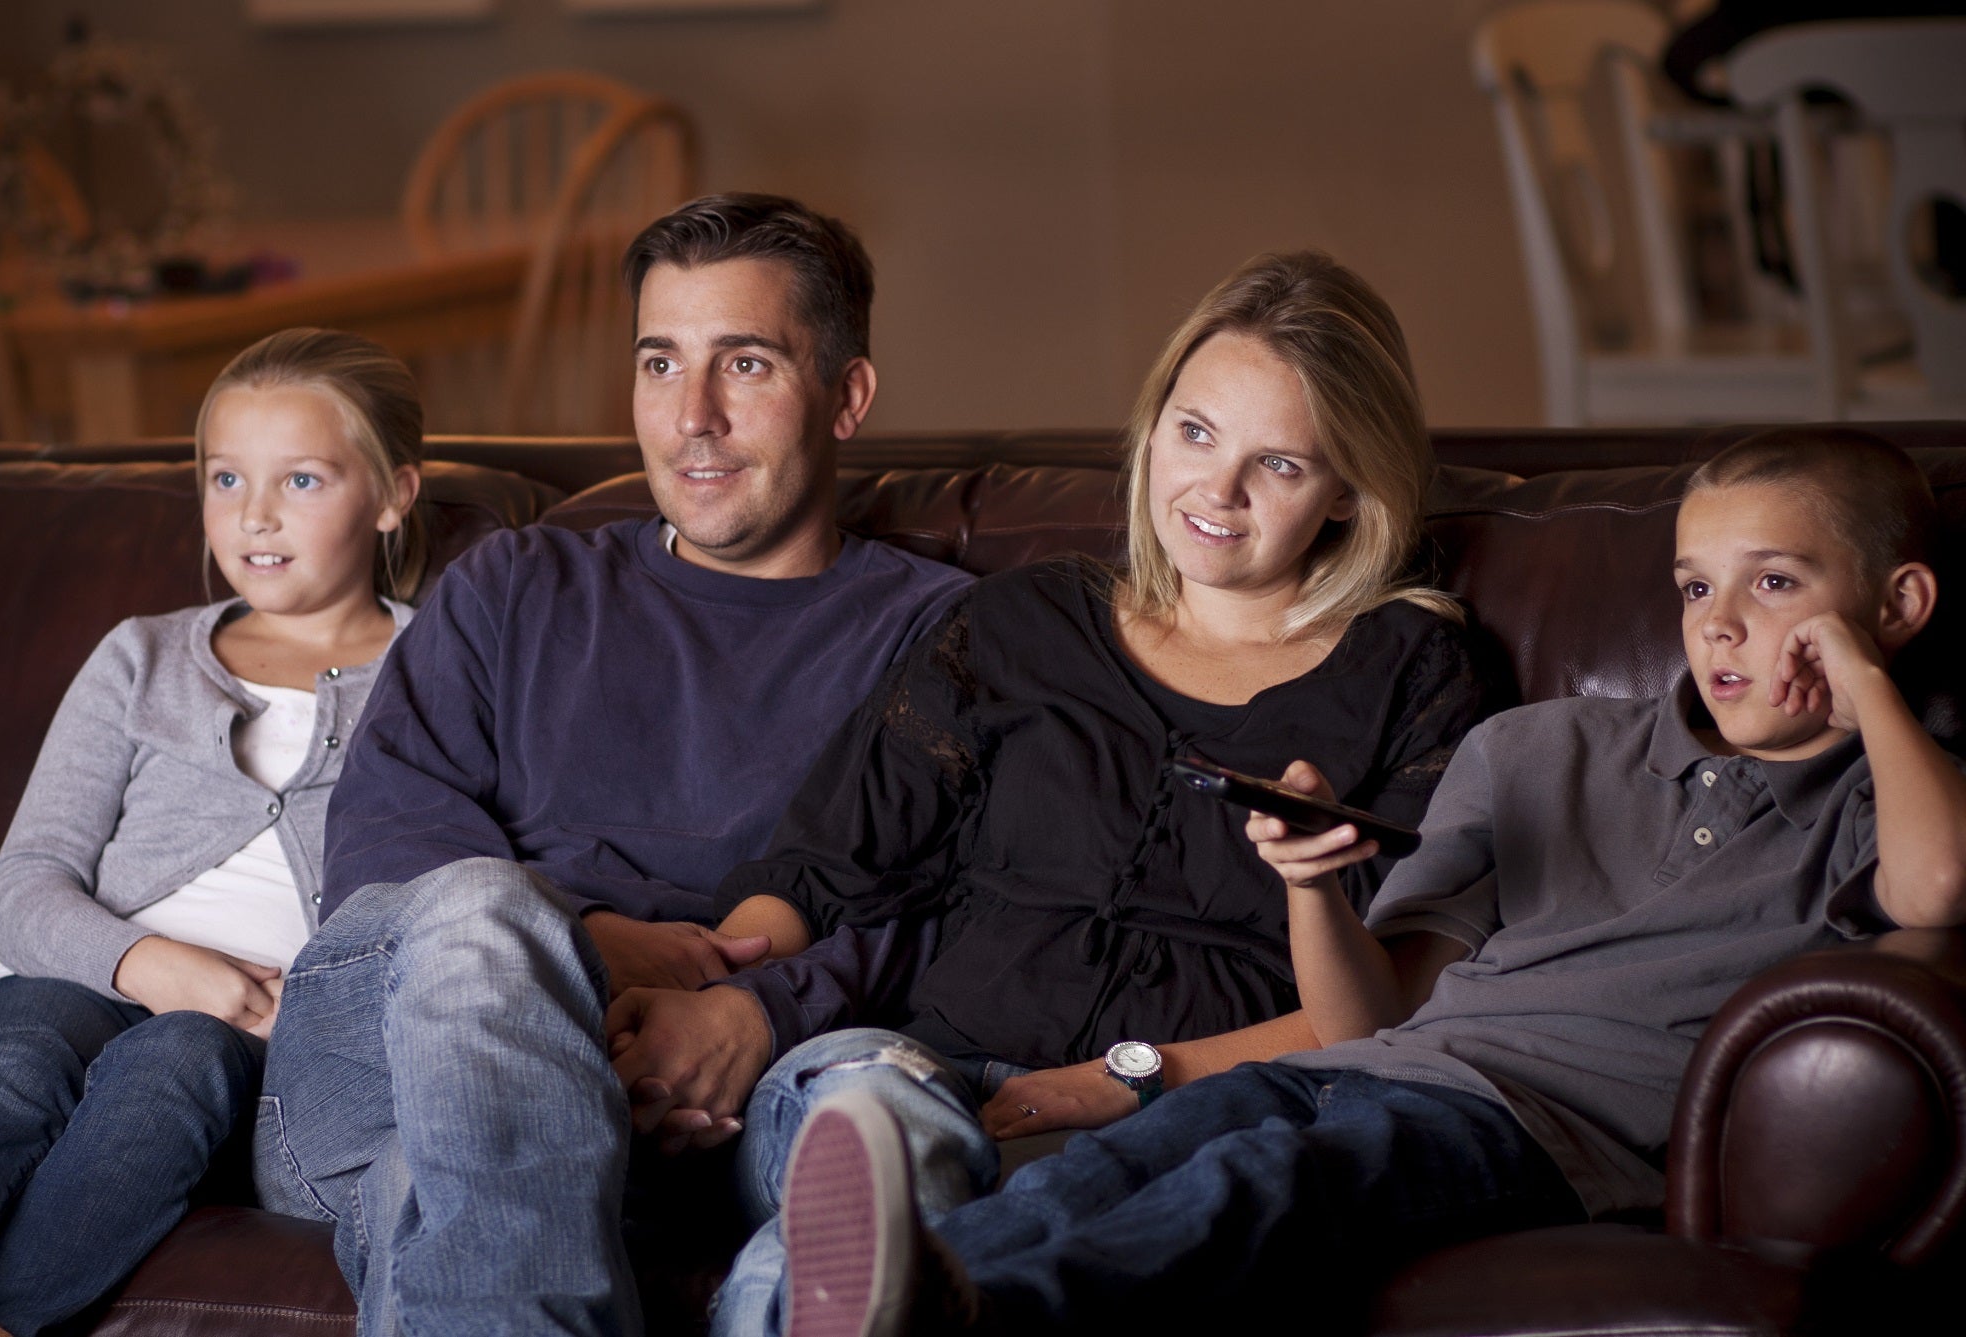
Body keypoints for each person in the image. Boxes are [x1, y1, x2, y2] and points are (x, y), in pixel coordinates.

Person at [770, 425, 1966, 1337]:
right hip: (1370, 1064)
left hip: (1539, 1131)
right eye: (1694, 586)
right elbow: (1371, 1015)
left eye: (1771, 584)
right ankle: (902, 1290)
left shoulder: (1884, 799)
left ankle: (968, 1310)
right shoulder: (1540, 746)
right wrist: (1311, 887)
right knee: (1128, 1156)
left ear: (1895, 604)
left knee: (1267, 1180)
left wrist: (1859, 684)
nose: (1718, 626)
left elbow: (1935, 888)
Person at [606, 251, 1491, 1335]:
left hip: (1197, 1116)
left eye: (1279, 465)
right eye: (1195, 432)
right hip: (927, 1075)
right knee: (866, 1119)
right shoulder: (1025, 623)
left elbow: (1399, 1005)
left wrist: (1129, 1078)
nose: (1214, 492)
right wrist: (712, 991)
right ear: (1153, 427)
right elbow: (830, 859)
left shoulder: (1409, 669)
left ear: (1349, 487)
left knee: (937, 1239)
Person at [247, 194, 973, 1336]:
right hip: (409, 1055)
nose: (692, 417)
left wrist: (759, 1012)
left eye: (744, 363)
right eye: (657, 362)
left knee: (887, 1102)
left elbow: (973, 898)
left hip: (741, 1087)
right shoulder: (513, 585)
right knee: (481, 912)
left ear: (846, 396)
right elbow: (386, 850)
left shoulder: (944, 636)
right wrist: (570, 948)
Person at [0, 328, 424, 1337]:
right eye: (225, 477)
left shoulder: (437, 670)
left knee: (180, 1063)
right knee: (15, 1064)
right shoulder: (142, 656)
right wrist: (154, 960)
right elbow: (23, 886)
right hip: (79, 972)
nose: (254, 513)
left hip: (255, 1034)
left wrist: (231, 1000)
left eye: (300, 478)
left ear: (393, 494)